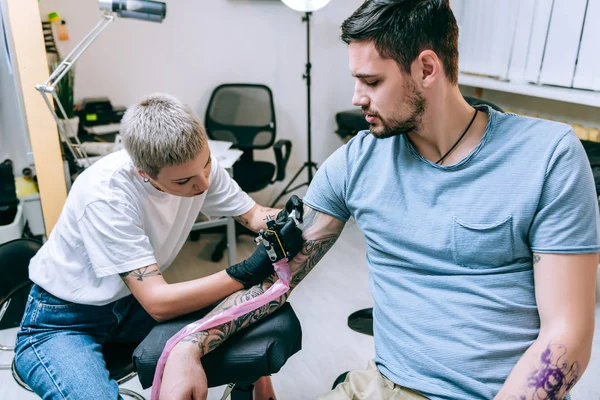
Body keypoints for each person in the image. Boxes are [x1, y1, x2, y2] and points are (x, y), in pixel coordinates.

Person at [159, 1, 599, 399]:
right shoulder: (357, 162)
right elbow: (277, 276)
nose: (357, 98)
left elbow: (568, 334)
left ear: (427, 69)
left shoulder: (547, 156)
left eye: (371, 81)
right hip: (384, 387)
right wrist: (189, 344)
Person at [14, 93, 303, 400]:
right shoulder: (107, 197)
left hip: (128, 305)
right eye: (184, 182)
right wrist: (244, 271)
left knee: (252, 308)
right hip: (63, 322)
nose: (204, 184)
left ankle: (254, 385)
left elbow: (255, 215)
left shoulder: (197, 166)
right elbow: (158, 302)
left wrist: (294, 216)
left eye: (206, 165)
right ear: (144, 173)